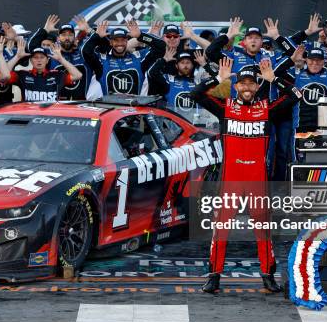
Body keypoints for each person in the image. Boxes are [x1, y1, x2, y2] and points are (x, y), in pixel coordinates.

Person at [192, 58, 302, 293]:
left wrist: (275, 79)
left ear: (258, 86)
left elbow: (295, 96)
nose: (247, 88)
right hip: (230, 178)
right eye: (242, 84)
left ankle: (267, 275)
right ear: (236, 86)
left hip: (257, 180)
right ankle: (214, 276)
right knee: (221, 227)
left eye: (252, 84)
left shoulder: (267, 109)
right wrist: (218, 80)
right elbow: (196, 95)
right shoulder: (225, 107)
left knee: (263, 228)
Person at [82, 20, 166, 98]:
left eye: (123, 40)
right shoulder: (102, 61)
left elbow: (161, 47)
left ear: (127, 41)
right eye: (116, 40)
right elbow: (85, 52)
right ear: (111, 42)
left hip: (133, 111)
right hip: (110, 110)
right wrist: (96, 36)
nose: (120, 43)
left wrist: (141, 36)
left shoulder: (139, 59)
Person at [27, 15, 93, 100]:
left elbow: (103, 46)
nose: (67, 38)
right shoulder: (50, 54)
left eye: (70, 35)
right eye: (64, 35)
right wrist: (45, 30)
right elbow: (31, 47)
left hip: (82, 107)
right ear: (58, 38)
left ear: (75, 38)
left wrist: (89, 30)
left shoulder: (83, 54)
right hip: (57, 108)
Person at [147, 48, 217, 121]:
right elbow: (151, 73)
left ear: (192, 65)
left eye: (188, 62)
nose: (185, 65)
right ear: (177, 66)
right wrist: (164, 60)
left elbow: (218, 79)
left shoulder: (199, 82)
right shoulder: (169, 80)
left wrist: (204, 64)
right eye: (182, 63)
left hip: (195, 126)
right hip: (173, 127)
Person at [5, 46, 82, 102]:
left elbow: (78, 75)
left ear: (47, 60)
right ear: (31, 61)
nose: (39, 60)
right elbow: (4, 75)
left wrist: (61, 59)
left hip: (50, 116)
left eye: (42, 57)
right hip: (29, 115)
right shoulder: (23, 75)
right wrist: (17, 57)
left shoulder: (57, 75)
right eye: (35, 57)